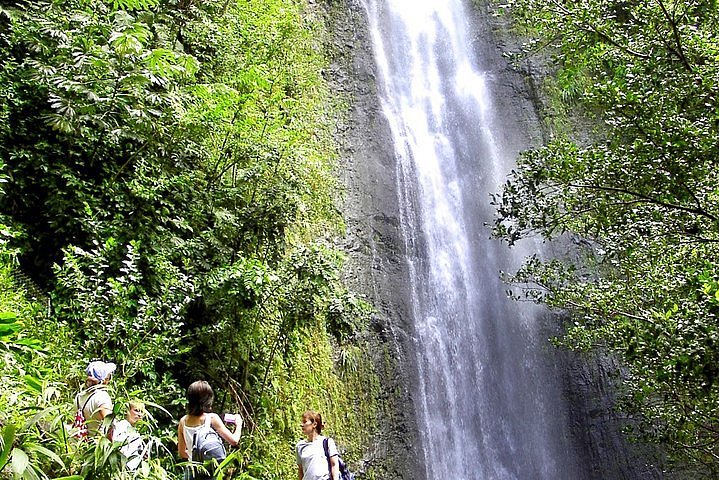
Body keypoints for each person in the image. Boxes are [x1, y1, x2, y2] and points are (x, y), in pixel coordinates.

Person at [177, 380, 242, 479]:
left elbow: (182, 453)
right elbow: (234, 441)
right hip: (209, 471)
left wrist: (194, 456)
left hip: (192, 472)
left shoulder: (183, 421)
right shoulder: (211, 418)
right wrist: (239, 424)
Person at [74, 360, 116, 437]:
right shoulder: (102, 397)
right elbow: (109, 424)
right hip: (96, 443)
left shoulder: (79, 396)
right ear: (104, 380)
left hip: (82, 442)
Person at [296, 411, 339, 480]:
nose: (301, 425)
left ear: (314, 424)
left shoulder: (327, 442)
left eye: (305, 422)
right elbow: (301, 470)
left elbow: (334, 465)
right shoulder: (300, 446)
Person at [111, 400, 147, 471]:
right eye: (136, 410)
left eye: (141, 412)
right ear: (127, 411)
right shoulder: (122, 426)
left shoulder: (135, 431)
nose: (139, 414)